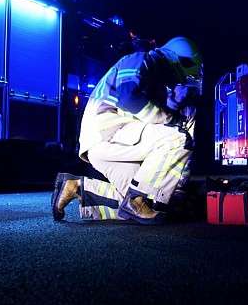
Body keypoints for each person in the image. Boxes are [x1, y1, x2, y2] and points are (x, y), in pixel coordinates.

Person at [52, 37, 203, 224]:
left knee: (150, 200)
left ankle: (76, 187)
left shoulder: (153, 79)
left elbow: (144, 109)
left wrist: (172, 106)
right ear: (178, 61)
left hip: (106, 144)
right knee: (179, 137)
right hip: (108, 133)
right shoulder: (141, 60)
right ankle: (136, 201)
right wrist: (172, 119)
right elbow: (128, 98)